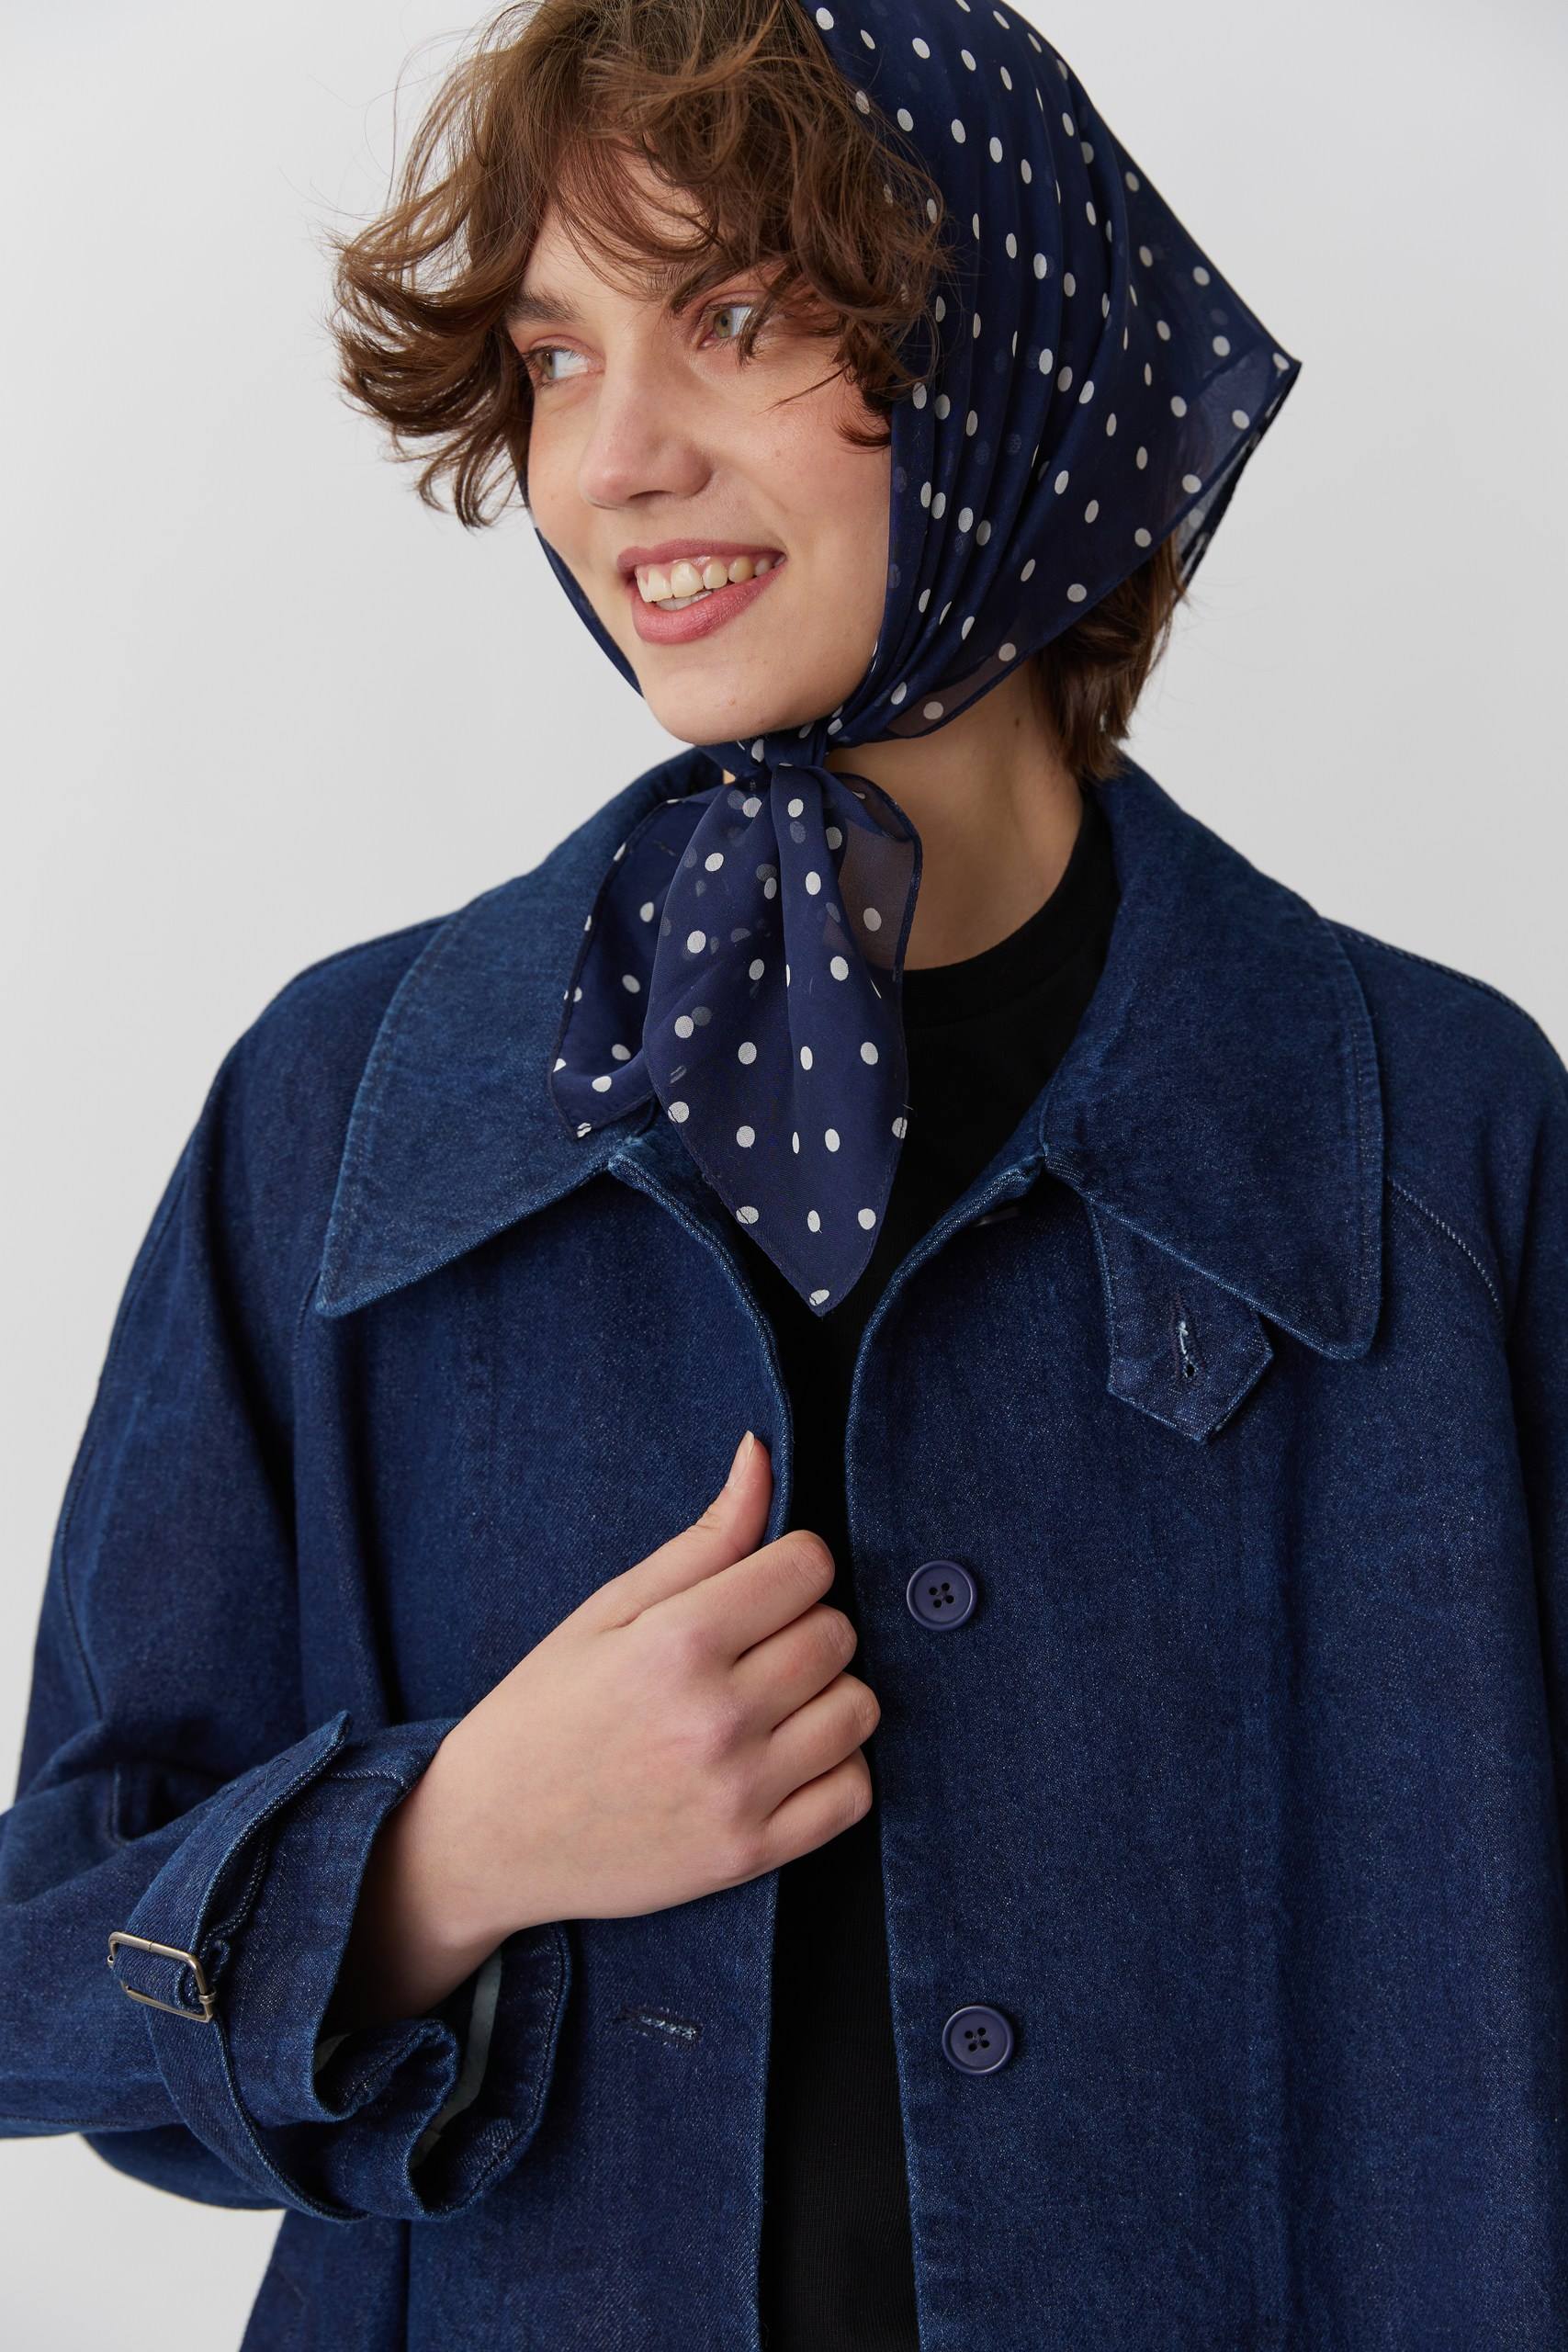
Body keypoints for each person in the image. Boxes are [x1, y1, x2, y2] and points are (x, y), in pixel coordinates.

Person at [5, 3, 1566, 2348]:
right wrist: (446, 1851)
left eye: (730, 319)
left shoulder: (1433, 1136)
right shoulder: (345, 1109)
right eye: (555, 357)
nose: (613, 459)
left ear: (1007, 352)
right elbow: (51, 1972)